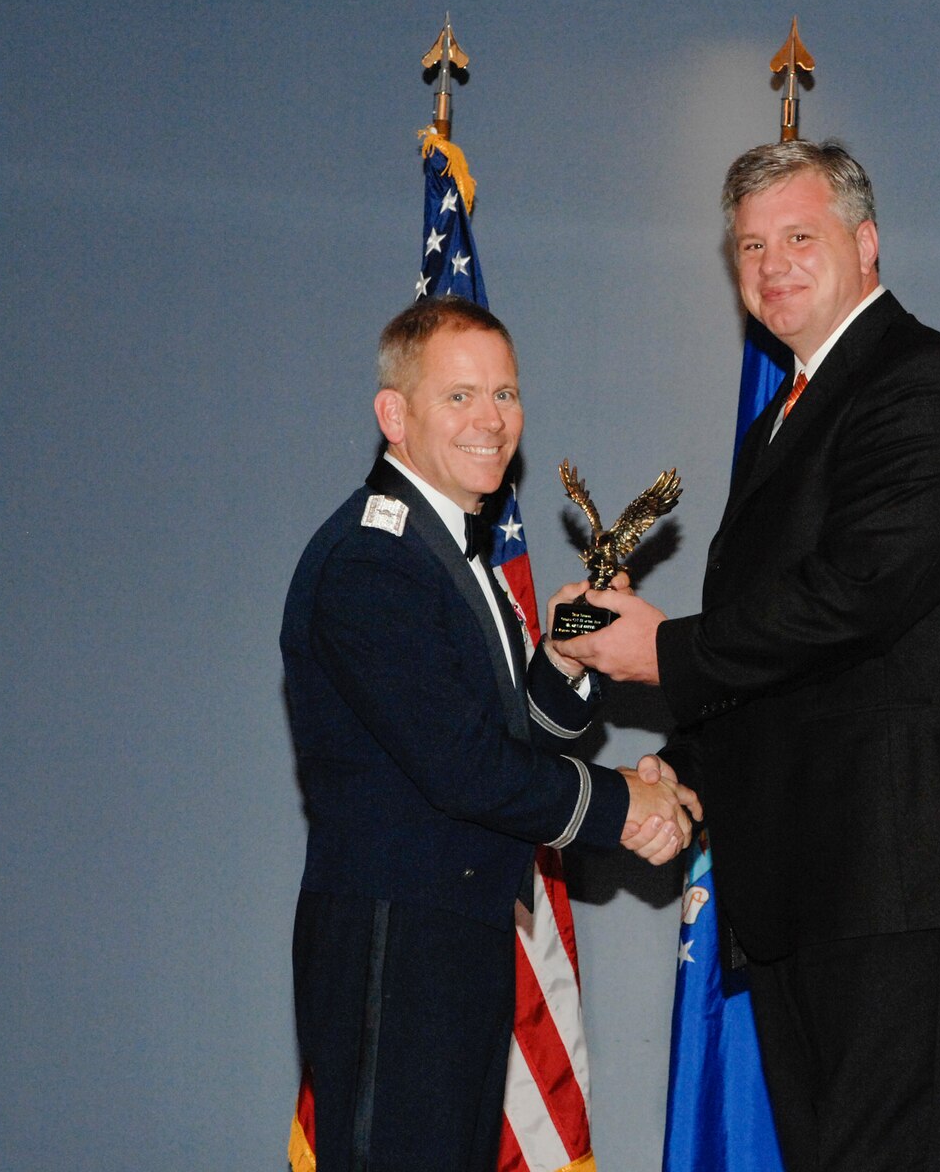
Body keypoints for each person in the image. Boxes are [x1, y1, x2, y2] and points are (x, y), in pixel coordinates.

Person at [555, 140, 940, 1172]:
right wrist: (675, 772)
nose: (771, 265)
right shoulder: (785, 417)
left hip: (899, 880)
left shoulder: (925, 386)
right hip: (809, 887)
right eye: (749, 245)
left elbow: (852, 600)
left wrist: (661, 650)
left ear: (864, 243)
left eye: (798, 237)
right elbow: (782, 663)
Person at [281, 294, 696, 1172]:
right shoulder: (373, 560)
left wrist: (571, 648)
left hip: (454, 931)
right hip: (397, 940)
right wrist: (626, 808)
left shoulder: (444, 552)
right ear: (394, 414)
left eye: (505, 394)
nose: (491, 419)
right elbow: (467, 770)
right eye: (460, 396)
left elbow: (511, 735)